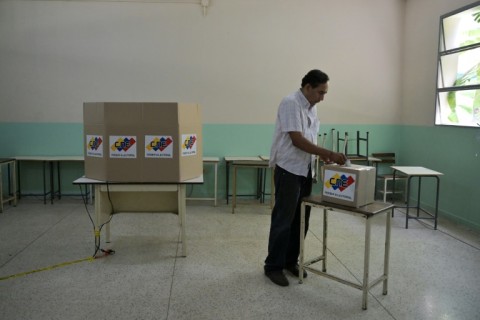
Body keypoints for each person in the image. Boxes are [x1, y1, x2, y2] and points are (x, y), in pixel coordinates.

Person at [264, 69, 347, 287]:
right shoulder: (291, 103)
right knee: (283, 219)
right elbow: (297, 140)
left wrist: (321, 158)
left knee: (301, 219)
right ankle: (273, 266)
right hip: (288, 169)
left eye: (325, 93)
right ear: (308, 87)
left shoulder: (311, 108)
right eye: (320, 92)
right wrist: (328, 153)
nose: (322, 97)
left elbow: (310, 139)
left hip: (305, 170)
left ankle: (290, 261)